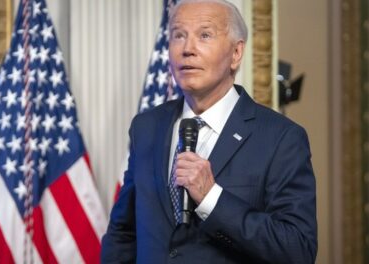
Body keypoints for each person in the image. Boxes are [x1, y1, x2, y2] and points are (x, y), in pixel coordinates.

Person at [101, 0, 317, 263]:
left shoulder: (281, 138)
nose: (188, 49)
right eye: (178, 35)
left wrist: (211, 198)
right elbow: (124, 233)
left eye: (205, 35)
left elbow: (297, 248)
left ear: (236, 53)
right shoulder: (146, 127)